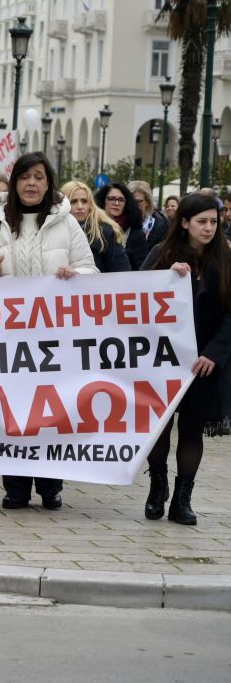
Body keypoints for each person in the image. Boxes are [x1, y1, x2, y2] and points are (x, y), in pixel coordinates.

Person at [0, 152, 98, 511]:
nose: (32, 184)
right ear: (16, 181)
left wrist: (74, 276)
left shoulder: (67, 224)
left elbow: (90, 271)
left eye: (39, 177)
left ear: (49, 182)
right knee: (14, 412)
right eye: (25, 177)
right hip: (8, 337)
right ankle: (16, 487)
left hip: (53, 337)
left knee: (52, 412)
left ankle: (51, 485)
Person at [140, 193, 231, 525]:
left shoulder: (226, 259)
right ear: (185, 223)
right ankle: (157, 486)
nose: (208, 228)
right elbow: (133, 297)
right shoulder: (162, 253)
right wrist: (163, 276)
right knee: (159, 429)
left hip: (203, 362)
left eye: (213, 222)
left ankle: (182, 499)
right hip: (163, 359)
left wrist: (214, 353)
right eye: (202, 221)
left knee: (192, 430)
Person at [63, 180, 130, 273]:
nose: (80, 206)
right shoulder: (54, 230)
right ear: (64, 204)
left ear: (90, 204)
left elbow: (122, 272)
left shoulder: (105, 232)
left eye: (84, 201)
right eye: (73, 201)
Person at [95, 181, 160, 270]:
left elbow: (142, 269)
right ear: (103, 200)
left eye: (121, 199)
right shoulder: (92, 227)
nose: (116, 203)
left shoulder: (135, 233)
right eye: (112, 198)